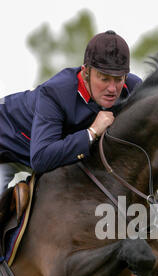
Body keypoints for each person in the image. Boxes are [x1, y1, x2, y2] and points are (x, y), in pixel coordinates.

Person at [0, 30, 142, 196]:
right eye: (104, 79)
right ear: (86, 72)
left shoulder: (134, 89)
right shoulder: (55, 93)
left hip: (44, 150)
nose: (112, 89)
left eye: (119, 79)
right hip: (7, 145)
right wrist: (92, 132)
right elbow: (41, 158)